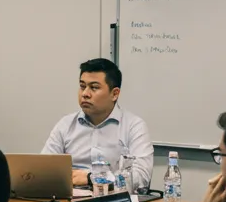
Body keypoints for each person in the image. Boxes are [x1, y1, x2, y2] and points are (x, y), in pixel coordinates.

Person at [42, 58, 153, 189]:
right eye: (82, 86)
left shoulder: (134, 126)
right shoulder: (66, 125)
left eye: (94, 88)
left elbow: (141, 177)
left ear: (114, 94)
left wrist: (91, 179)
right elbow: (44, 170)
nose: (85, 94)